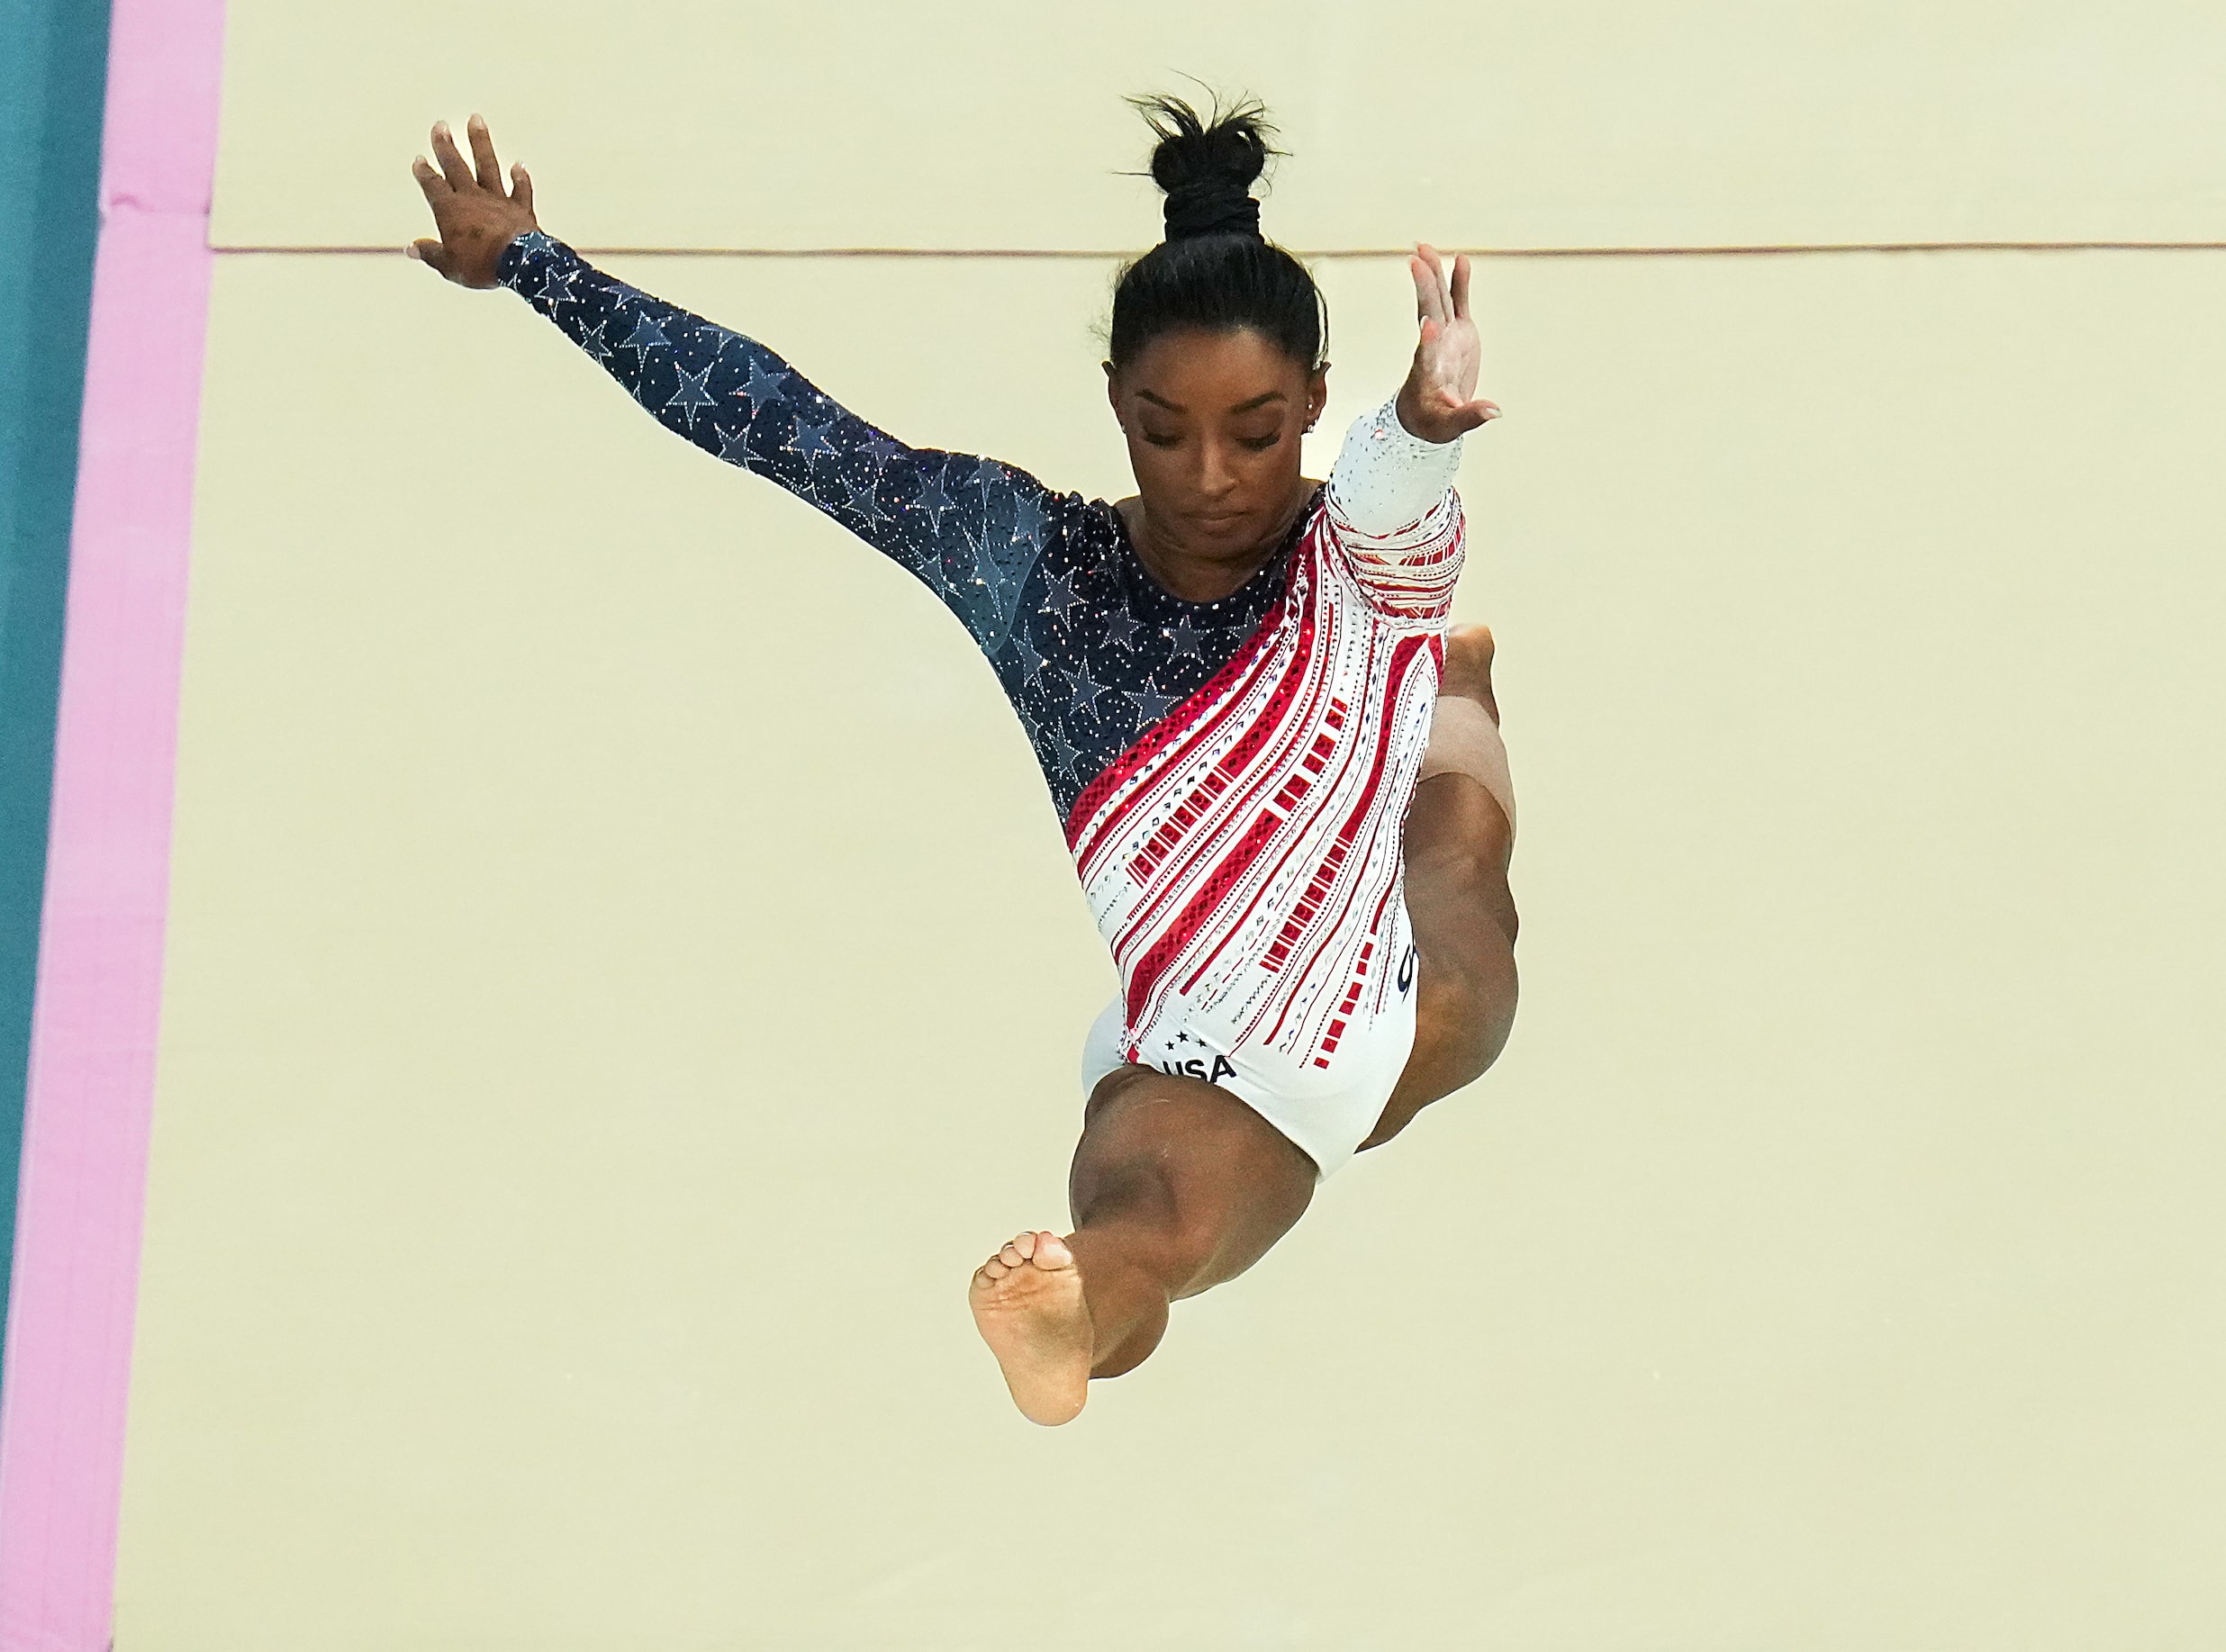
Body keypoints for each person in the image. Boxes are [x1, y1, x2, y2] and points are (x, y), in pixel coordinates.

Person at [408, 95, 1521, 1425]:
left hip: (1406, 1010)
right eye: (1163, 428)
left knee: (1460, 852)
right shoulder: (1032, 562)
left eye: (1258, 428)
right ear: (1112, 398)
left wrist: (1424, 416)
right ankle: (1068, 1311)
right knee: (1138, 1213)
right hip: (1208, 1051)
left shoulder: (1349, 553)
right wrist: (536, 266)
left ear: (1314, 408)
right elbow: (786, 428)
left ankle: (1460, 678)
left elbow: (1396, 478)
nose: (1211, 474)